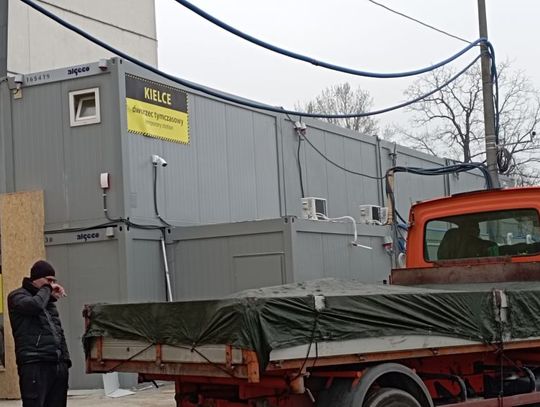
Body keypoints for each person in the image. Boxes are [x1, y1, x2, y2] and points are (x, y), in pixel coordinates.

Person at [7, 260, 71, 407]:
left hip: (56, 365)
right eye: (48, 280)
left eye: (54, 281)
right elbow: (34, 306)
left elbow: (59, 332)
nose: (52, 284)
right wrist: (47, 289)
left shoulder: (48, 301)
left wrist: (65, 361)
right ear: (35, 279)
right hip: (34, 364)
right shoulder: (17, 296)